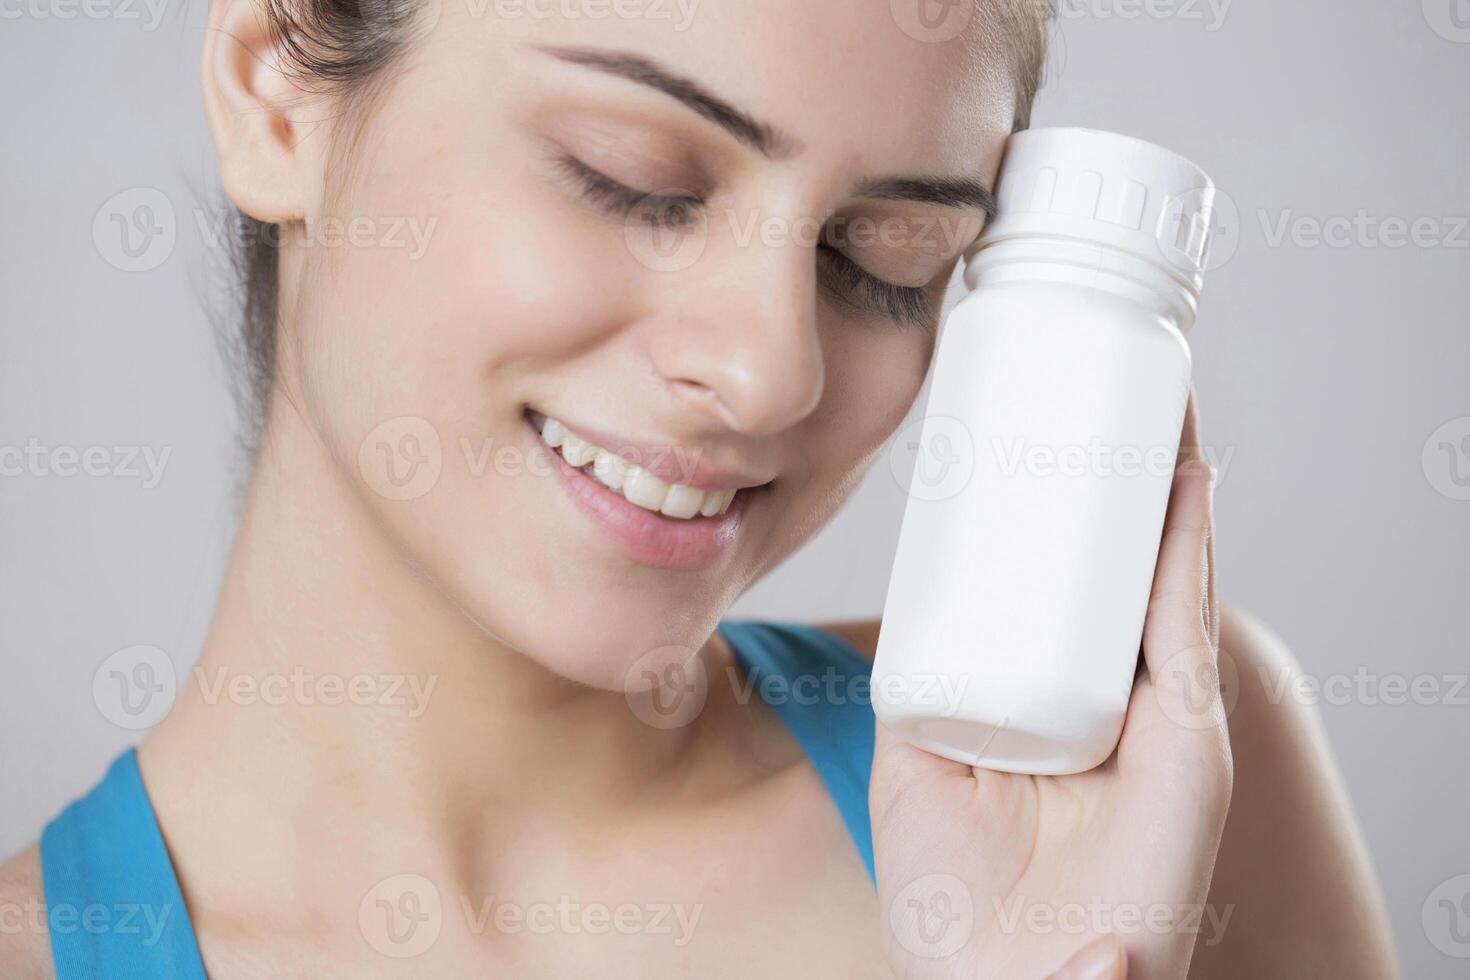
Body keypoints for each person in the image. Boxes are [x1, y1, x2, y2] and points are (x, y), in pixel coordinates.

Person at [0, 0, 1399, 975]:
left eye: (883, 260)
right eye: (637, 182)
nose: (770, 367)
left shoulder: (1160, 799)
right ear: (273, 85)